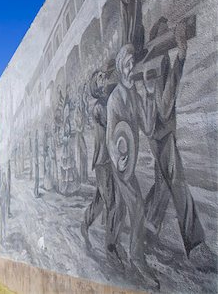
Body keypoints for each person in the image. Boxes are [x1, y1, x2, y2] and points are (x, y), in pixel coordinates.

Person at [143, 20, 216, 272]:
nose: (170, 37)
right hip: (161, 134)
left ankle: (149, 227)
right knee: (178, 184)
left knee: (163, 183)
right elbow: (164, 108)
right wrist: (181, 57)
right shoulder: (157, 64)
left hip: (158, 133)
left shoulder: (153, 63)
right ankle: (195, 246)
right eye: (166, 34)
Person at [106, 44, 158, 287]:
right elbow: (110, 135)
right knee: (136, 207)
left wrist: (149, 94)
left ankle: (113, 244)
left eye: (132, 64)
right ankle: (136, 258)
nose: (130, 69)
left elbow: (147, 127)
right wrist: (117, 159)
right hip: (122, 165)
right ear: (120, 68)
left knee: (122, 207)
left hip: (131, 162)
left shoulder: (136, 95)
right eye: (126, 65)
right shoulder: (115, 98)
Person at [81, 70, 126, 264]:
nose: (103, 78)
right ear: (94, 84)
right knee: (113, 203)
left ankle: (85, 223)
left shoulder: (107, 101)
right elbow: (112, 123)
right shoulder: (100, 106)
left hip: (108, 160)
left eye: (102, 75)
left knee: (100, 201)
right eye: (99, 77)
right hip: (104, 161)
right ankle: (111, 246)